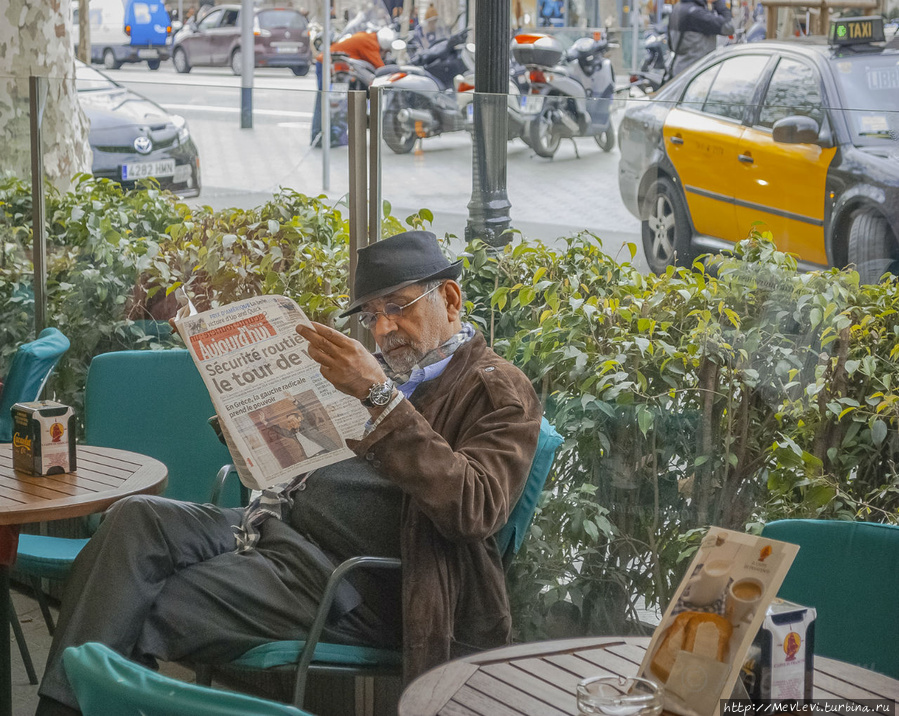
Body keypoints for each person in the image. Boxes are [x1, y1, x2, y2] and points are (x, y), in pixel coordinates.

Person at [35, 231, 542, 716]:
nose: (383, 329)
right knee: (136, 516)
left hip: (353, 580)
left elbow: (476, 507)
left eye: (397, 307)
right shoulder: (392, 373)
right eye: (372, 315)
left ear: (449, 299)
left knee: (134, 603)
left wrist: (381, 399)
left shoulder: (495, 391)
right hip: (272, 527)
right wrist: (249, 423)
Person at [309, 27, 396, 147]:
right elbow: (379, 67)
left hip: (327, 63)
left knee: (325, 100)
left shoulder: (366, 35)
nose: (383, 54)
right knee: (324, 100)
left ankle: (323, 136)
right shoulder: (370, 43)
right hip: (328, 65)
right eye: (384, 51)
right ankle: (320, 136)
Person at [668, 0, 734, 77]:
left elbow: (670, 44)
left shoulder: (678, 7)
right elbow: (729, 27)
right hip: (695, 72)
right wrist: (719, 4)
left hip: (680, 67)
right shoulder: (695, 13)